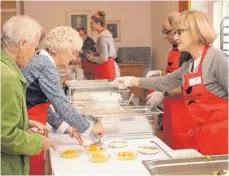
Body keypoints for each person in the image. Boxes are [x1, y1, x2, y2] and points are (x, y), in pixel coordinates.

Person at [114, 10, 228, 155]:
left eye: (180, 32)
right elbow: (163, 82)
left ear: (195, 31)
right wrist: (131, 80)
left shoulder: (217, 59)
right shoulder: (189, 65)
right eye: (175, 32)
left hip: (223, 139)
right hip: (204, 137)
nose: (176, 37)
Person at [1, 15, 56, 175]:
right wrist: (38, 141)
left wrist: (26, 122)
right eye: (35, 47)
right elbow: (4, 135)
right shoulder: (7, 76)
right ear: (22, 43)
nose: (35, 53)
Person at [145, 12, 192, 149]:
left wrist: (162, 93)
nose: (166, 36)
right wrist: (160, 73)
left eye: (168, 32)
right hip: (171, 107)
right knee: (169, 145)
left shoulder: (190, 53)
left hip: (184, 109)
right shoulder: (175, 50)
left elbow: (187, 85)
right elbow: (174, 74)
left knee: (182, 147)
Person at [81, 11, 120, 80]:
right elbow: (107, 52)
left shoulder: (102, 37)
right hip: (111, 64)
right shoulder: (106, 33)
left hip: (107, 67)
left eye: (91, 23)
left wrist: (91, 58)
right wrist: (95, 53)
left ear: (98, 23)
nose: (90, 26)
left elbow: (103, 58)